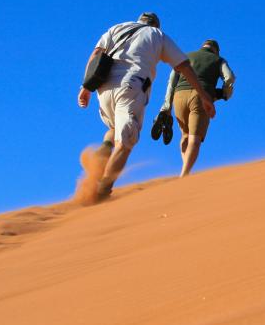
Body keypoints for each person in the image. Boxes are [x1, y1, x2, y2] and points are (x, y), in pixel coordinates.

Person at [78, 12, 215, 201]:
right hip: (131, 86)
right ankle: (102, 191)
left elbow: (96, 54)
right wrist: (203, 95)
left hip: (104, 88)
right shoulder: (157, 35)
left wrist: (85, 87)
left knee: (114, 128)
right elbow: (183, 65)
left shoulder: (117, 27)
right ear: (156, 25)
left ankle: (104, 149)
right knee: (125, 142)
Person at [155, 39, 235, 177]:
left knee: (185, 135)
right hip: (201, 97)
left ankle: (184, 169)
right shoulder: (218, 60)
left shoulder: (185, 56)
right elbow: (229, 78)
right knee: (195, 139)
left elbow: (172, 80)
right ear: (216, 50)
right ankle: (184, 175)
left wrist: (166, 106)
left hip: (179, 97)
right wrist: (224, 94)